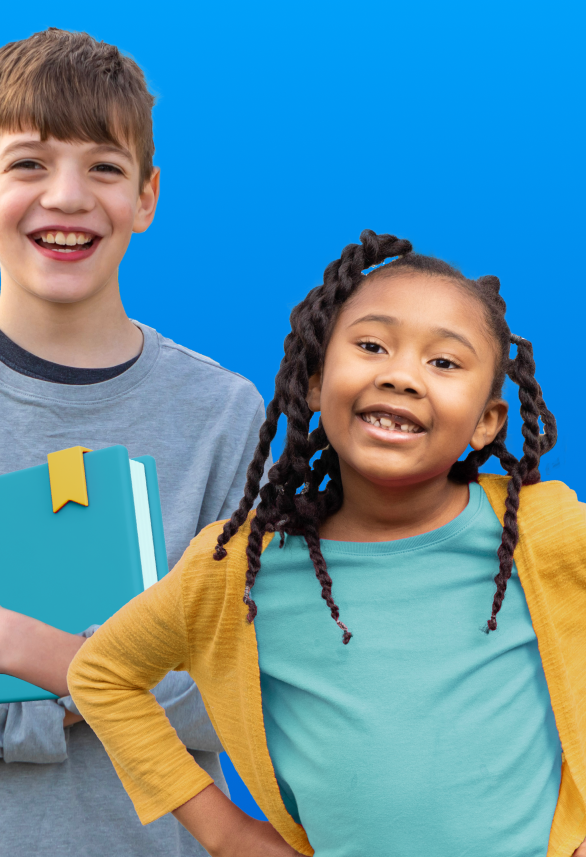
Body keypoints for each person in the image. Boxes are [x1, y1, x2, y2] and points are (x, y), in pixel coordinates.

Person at [0, 28, 265, 855]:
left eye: (104, 167)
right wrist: (125, 680)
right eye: (30, 163)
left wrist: (15, 646)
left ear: (147, 196)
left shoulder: (225, 418)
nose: (68, 196)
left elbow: (246, 687)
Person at [70, 231, 586, 857]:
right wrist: (228, 834)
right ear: (314, 383)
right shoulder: (238, 570)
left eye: (444, 362)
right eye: (371, 345)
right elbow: (102, 674)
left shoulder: (549, 533)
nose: (401, 376)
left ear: (486, 422)